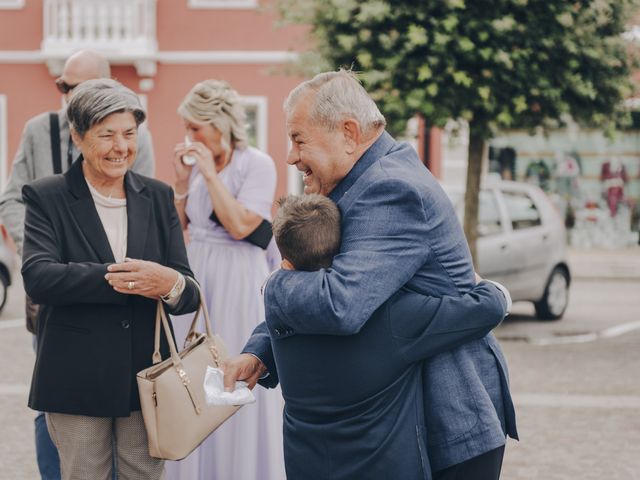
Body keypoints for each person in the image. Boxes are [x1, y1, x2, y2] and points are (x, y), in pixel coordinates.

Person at [225, 69, 518, 480]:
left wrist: (275, 283)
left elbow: (339, 303)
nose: (291, 155)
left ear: (348, 132)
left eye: (298, 139)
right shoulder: (361, 180)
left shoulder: (390, 189)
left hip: (447, 415)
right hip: (397, 420)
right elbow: (322, 279)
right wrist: (260, 351)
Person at [21, 78, 200, 480]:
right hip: (75, 376)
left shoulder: (157, 196)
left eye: (129, 134)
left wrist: (168, 282)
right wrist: (126, 278)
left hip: (147, 376)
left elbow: (186, 290)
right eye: (107, 135)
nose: (121, 147)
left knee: (144, 475)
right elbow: (39, 276)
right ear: (78, 137)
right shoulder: (46, 196)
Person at [267, 194, 509, 479]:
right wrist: (480, 283)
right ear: (345, 252)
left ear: (286, 265)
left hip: (307, 467)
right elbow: (488, 308)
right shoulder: (394, 317)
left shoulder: (276, 298)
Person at [0, 50, 155, 480]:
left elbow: (142, 212)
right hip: (59, 296)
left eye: (79, 88)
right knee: (56, 403)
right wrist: (40, 249)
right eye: (64, 88)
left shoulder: (133, 136)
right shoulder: (39, 130)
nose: (69, 96)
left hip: (122, 307)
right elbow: (13, 196)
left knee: (125, 423)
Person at [164, 80, 285, 480]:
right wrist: (182, 186)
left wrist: (210, 174)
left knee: (233, 367)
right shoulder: (199, 171)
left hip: (238, 274)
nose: (190, 137)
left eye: (196, 128)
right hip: (200, 273)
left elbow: (239, 225)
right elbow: (181, 226)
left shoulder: (256, 164)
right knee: (193, 373)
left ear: (220, 125)